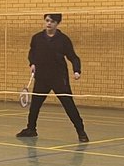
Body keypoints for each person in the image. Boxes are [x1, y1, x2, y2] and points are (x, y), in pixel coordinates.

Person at [17, 13, 89, 142]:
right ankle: (31, 129)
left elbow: (73, 57)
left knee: (69, 105)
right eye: (47, 20)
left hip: (59, 78)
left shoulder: (63, 40)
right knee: (35, 106)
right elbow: (32, 53)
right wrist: (32, 63)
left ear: (57, 23)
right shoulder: (37, 38)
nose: (48, 23)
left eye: (52, 21)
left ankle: (81, 131)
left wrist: (77, 71)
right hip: (42, 78)